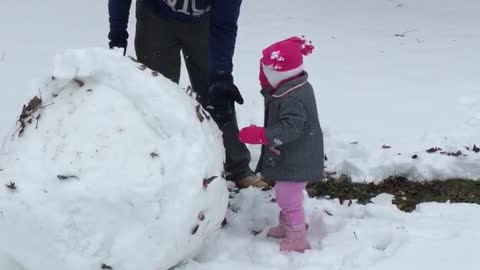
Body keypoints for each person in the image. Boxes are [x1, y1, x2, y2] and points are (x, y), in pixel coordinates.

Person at [107, 0, 267, 188]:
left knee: (216, 92)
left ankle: (236, 166)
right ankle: (156, 164)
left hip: (205, 23)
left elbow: (225, 25)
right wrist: (117, 34)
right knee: (155, 92)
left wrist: (222, 75)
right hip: (155, 16)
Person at [238, 36, 324, 252]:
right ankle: (289, 225)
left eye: (266, 73)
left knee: (288, 198)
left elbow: (290, 129)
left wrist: (262, 135)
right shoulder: (294, 86)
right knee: (286, 194)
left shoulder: (291, 97)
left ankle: (297, 237)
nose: (263, 77)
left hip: (299, 158)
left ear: (278, 74)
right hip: (295, 155)